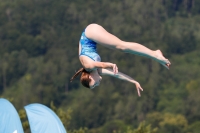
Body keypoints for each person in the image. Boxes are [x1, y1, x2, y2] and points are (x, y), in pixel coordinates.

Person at [70, 23, 171, 96]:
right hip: (91, 36)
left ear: (90, 77)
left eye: (94, 84)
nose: (98, 84)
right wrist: (133, 81)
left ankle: (155, 54)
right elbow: (117, 75)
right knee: (122, 48)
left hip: (89, 33)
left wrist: (111, 65)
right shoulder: (97, 72)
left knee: (121, 46)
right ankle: (155, 56)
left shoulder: (88, 66)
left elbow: (102, 64)